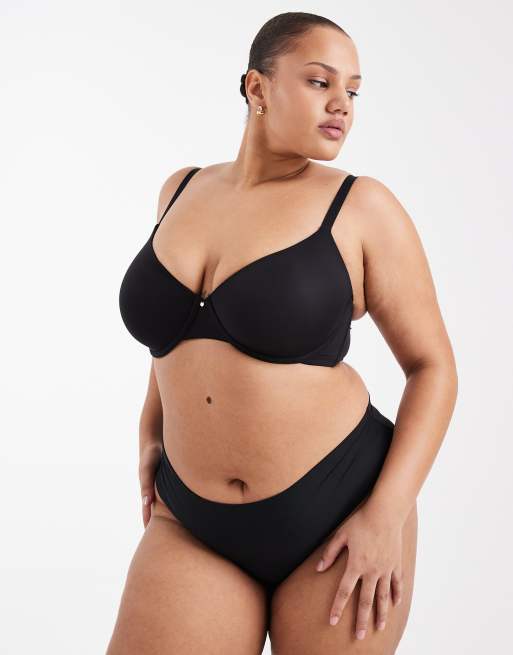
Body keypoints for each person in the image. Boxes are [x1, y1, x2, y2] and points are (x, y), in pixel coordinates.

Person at [109, 11, 458, 655]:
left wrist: (385, 515)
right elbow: (175, 335)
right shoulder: (180, 190)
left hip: (340, 512)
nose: (341, 104)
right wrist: (149, 428)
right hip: (190, 519)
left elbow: (433, 368)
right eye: (320, 82)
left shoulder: (361, 207)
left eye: (352, 90)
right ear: (257, 87)